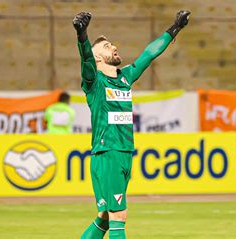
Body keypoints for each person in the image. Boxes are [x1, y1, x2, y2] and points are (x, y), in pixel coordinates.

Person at [73, 10, 190, 239]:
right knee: (119, 215)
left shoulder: (125, 77)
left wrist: (174, 28)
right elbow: (86, 59)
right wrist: (82, 35)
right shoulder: (94, 82)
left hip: (121, 153)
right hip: (109, 154)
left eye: (112, 44)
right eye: (107, 47)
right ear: (98, 57)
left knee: (105, 217)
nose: (114, 47)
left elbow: (149, 54)